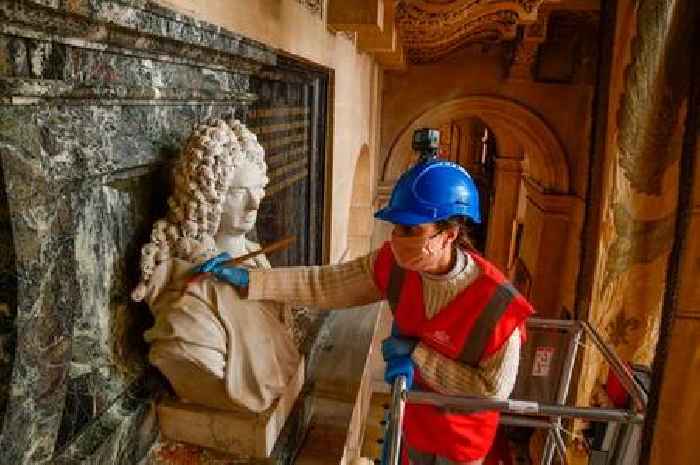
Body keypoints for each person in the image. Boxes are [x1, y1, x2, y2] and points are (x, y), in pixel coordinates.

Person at [196, 155, 535, 465]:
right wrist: (252, 280)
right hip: (412, 420)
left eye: (410, 230)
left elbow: (491, 391)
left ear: (448, 234)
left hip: (461, 445)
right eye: (395, 227)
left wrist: (418, 355)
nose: (396, 239)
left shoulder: (499, 307)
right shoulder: (395, 264)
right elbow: (325, 284)